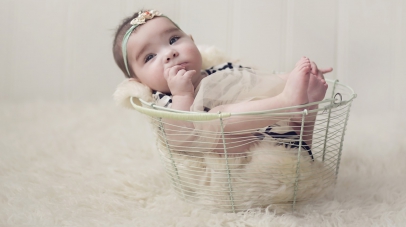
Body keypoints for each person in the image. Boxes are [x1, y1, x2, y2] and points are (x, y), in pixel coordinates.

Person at [112, 10, 332, 155]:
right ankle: (288, 102)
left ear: (193, 41)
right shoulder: (164, 101)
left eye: (173, 40)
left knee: (257, 89)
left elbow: (258, 82)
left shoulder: (221, 71)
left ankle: (304, 105)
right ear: (138, 81)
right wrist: (182, 95)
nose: (169, 53)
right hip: (243, 165)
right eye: (150, 57)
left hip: (286, 144)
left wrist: (293, 78)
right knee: (218, 116)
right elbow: (181, 143)